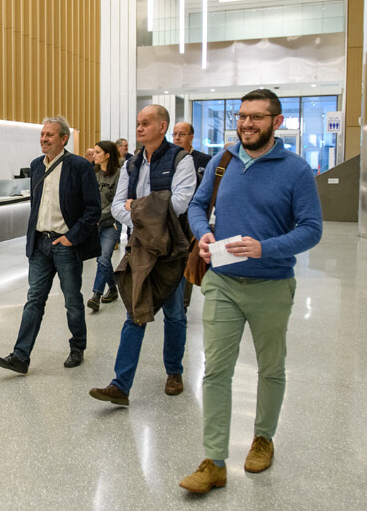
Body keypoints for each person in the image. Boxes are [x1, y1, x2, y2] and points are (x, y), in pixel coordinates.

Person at [179, 89, 323, 494]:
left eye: (257, 117)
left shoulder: (295, 169)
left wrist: (266, 248)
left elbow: (312, 229)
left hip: (272, 285)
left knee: (271, 367)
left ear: (276, 122)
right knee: (216, 371)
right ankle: (214, 461)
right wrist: (204, 234)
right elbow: (196, 205)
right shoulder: (223, 161)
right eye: (242, 116)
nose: (246, 124)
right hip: (222, 281)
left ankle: (263, 437)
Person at [89, 104, 196, 405]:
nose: (139, 128)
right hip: (139, 248)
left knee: (174, 314)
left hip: (172, 251)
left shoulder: (180, 161)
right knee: (134, 313)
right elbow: (116, 206)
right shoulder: (131, 164)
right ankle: (120, 385)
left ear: (163, 127)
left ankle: (174, 371)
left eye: (146, 123)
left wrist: (137, 208)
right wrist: (145, 211)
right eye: (138, 123)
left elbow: (180, 203)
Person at [0, 116, 101, 374]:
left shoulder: (79, 166)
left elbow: (93, 209)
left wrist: (71, 237)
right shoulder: (36, 166)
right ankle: (20, 356)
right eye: (42, 134)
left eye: (50, 135)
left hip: (65, 244)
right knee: (34, 300)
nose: (44, 139)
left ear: (64, 139)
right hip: (40, 245)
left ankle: (77, 346)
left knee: (72, 300)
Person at [171, 121, 212, 310]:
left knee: (188, 258)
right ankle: (171, 300)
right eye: (175, 134)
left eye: (182, 134)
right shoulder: (168, 158)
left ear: (191, 137)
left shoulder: (204, 160)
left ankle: (183, 304)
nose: (177, 138)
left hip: (193, 218)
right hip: (171, 217)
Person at [86, 140, 122, 312]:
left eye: (98, 152)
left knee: (103, 258)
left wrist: (99, 216)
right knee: (102, 260)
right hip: (94, 224)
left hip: (111, 223)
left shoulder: (119, 175)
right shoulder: (92, 173)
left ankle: (96, 296)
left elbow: (117, 201)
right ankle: (113, 289)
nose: (94, 155)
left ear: (107, 155)